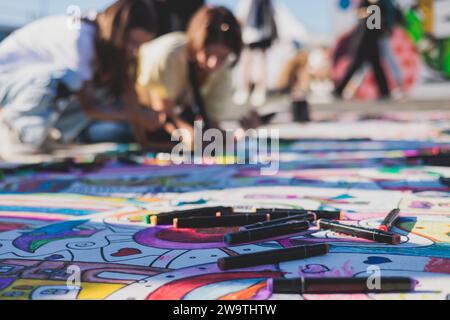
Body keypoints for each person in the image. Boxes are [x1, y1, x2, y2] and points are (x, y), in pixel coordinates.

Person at [0, 0, 161, 156]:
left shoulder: (104, 44)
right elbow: (89, 107)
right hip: (8, 82)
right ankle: (16, 133)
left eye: (139, 45)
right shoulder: (80, 35)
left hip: (27, 84)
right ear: (117, 30)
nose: (134, 50)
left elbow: (127, 93)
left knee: (102, 91)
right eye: (132, 42)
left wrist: (144, 142)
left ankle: (46, 136)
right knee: (69, 80)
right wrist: (135, 115)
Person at [136, 5, 260, 149]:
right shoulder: (170, 54)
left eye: (222, 57)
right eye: (207, 54)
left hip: (176, 119)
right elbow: (163, 116)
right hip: (136, 114)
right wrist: (194, 139)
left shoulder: (223, 70)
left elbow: (211, 126)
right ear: (195, 45)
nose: (213, 64)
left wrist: (242, 133)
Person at [333, 0, 391, 100]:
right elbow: (358, 13)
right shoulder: (364, 3)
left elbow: (383, 21)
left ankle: (384, 92)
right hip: (362, 40)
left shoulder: (381, 5)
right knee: (354, 66)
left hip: (373, 40)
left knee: (377, 67)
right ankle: (339, 90)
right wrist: (368, 12)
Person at [233, 0, 277, 107]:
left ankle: (259, 89)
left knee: (260, 61)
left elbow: (272, 14)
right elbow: (242, 13)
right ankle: (245, 88)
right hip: (251, 33)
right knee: (248, 60)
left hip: (262, 32)